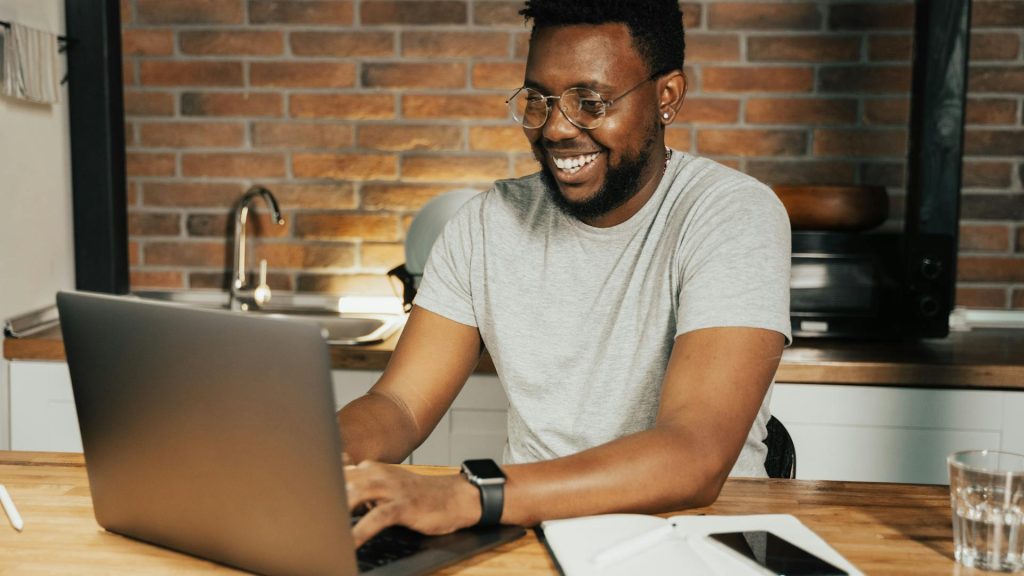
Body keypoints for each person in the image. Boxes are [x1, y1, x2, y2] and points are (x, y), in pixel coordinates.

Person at [338, 0, 791, 546]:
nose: (555, 129)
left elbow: (693, 455)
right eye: (539, 100)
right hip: (529, 534)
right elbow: (400, 405)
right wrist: (317, 457)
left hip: (695, 541)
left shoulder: (731, 213)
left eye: (590, 102)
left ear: (667, 96)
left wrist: (467, 495)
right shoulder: (486, 224)